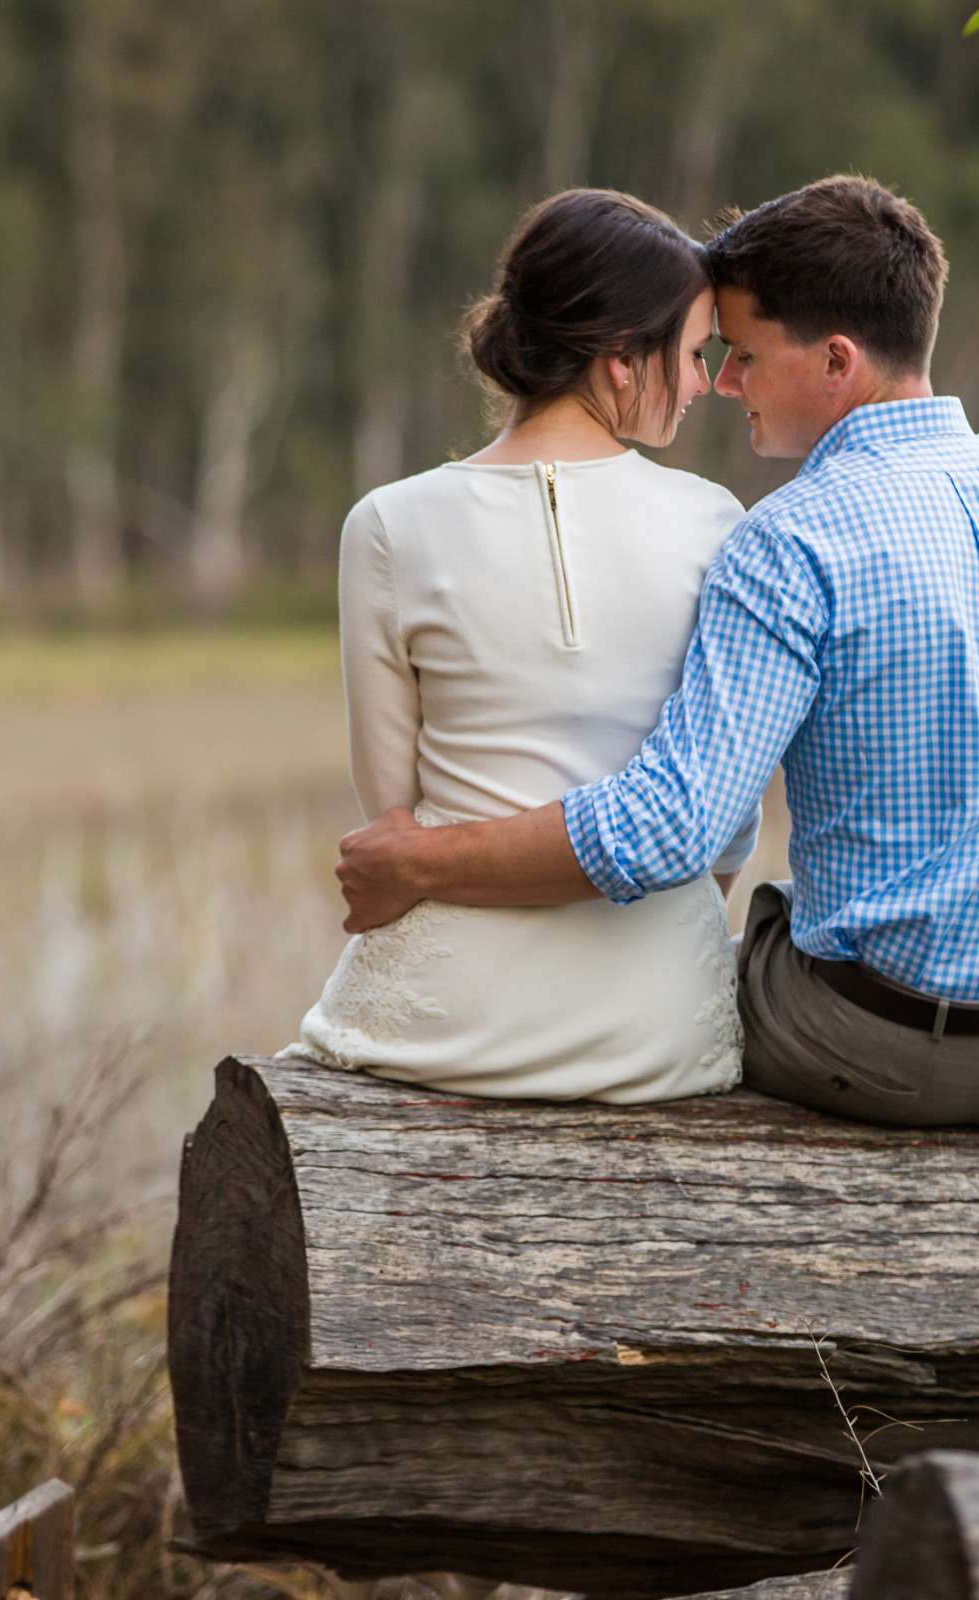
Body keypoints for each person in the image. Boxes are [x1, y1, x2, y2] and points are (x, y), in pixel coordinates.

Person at [334, 174, 979, 1132]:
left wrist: (421, 861)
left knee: (755, 942)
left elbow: (676, 828)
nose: (724, 381)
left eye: (740, 353)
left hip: (872, 1051)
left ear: (835, 360)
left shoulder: (790, 542)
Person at [283, 187, 762, 1103]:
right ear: (621, 361)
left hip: (439, 1029)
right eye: (694, 353)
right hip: (659, 1034)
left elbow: (392, 811)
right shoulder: (715, 522)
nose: (705, 381)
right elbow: (726, 826)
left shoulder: (387, 525)